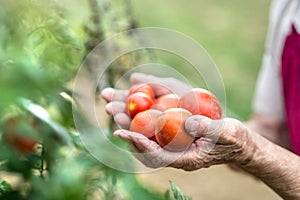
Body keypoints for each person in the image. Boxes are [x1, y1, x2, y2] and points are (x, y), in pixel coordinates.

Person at [101, 0, 300, 199]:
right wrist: (219, 132)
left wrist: (250, 150)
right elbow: (274, 131)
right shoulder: (288, 6)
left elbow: (259, 147)